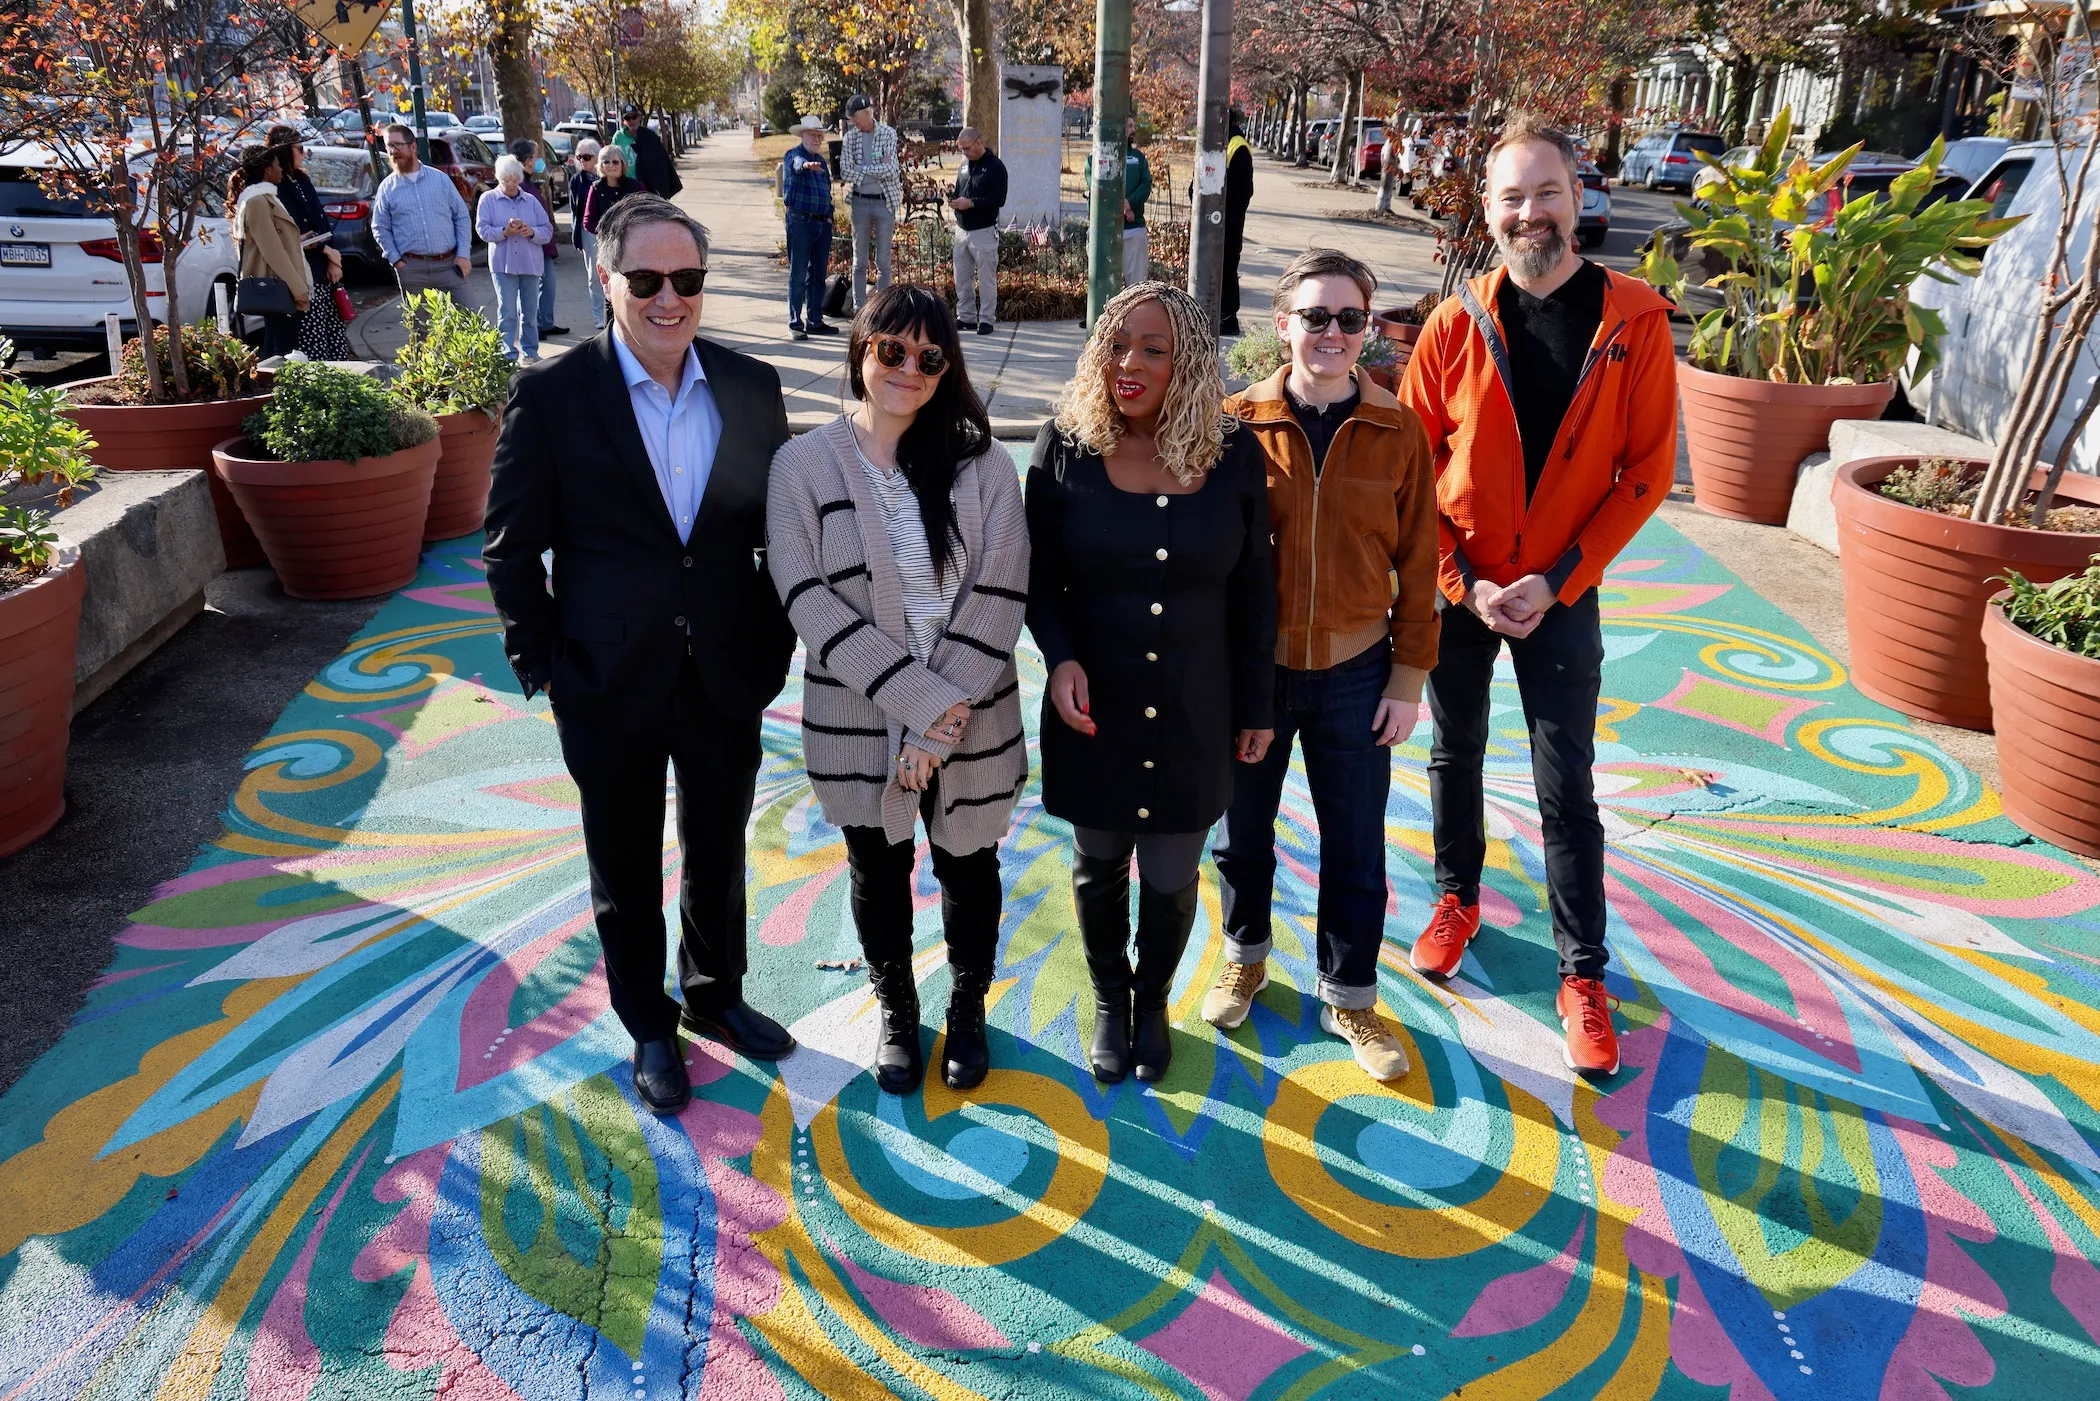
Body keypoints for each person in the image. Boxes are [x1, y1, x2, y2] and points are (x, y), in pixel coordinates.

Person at [483, 195, 802, 1115]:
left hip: (724, 674)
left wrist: (770, 648)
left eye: (689, 280)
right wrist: (545, 665)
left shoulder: (751, 386)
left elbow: (776, 538)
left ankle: (715, 994)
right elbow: (510, 548)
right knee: (623, 861)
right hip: (605, 678)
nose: (672, 299)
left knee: (718, 846)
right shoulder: (551, 396)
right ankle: (649, 1023)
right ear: (606, 280)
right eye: (649, 280)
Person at [1398, 116, 1678, 1077]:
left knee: (1568, 785)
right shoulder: (1454, 322)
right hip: (1463, 589)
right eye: (1511, 198)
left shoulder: (1635, 321)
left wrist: (1557, 581)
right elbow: (1411, 468)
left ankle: (1582, 970)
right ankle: (1456, 895)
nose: (1531, 214)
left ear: (1578, 194)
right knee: (1454, 751)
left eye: (1546, 193)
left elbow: (1645, 472)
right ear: (1488, 211)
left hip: (1564, 588)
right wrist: (1461, 582)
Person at [767, 287, 1030, 1095]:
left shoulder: (982, 464)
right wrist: (920, 706)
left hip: (972, 710)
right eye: (891, 349)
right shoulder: (803, 465)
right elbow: (804, 596)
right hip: (857, 711)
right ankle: (895, 1002)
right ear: (859, 350)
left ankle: (968, 1004)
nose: (907, 369)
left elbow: (1002, 590)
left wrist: (933, 729)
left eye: (928, 357)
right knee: (876, 868)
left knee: (970, 866)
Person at [1026, 282, 1276, 1086]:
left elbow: (1255, 593)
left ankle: (1153, 1001)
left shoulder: (1234, 452)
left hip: (1198, 712)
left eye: (1154, 349)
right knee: (1099, 864)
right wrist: (1060, 655)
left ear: (1191, 363)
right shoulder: (1064, 445)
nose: (1129, 363)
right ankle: (1110, 1001)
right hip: (1093, 706)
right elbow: (1038, 579)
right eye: (1117, 342)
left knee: (1171, 876)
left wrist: (1258, 706)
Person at [1205, 249, 1440, 1083]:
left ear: (1367, 327)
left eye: (1349, 318)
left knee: (1354, 844)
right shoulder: (1236, 423)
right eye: (1316, 317)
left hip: (1356, 672)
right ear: (1283, 325)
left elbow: (1420, 561)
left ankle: (1350, 992)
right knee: (1242, 837)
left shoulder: (1397, 428)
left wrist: (1408, 679)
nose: (1333, 333)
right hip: (1257, 675)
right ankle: (1245, 954)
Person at [262, 126, 353, 360]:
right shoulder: (274, 189)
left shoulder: (301, 179)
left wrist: (332, 258)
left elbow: (320, 221)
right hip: (300, 276)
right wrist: (326, 251)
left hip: (322, 272)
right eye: (299, 149)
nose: (304, 154)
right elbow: (293, 233)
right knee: (311, 346)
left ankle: (338, 389)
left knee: (334, 339)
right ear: (284, 152)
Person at [371, 123, 473, 310]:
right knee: (422, 333)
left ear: (413, 146)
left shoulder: (440, 179)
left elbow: (461, 216)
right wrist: (397, 261)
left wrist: (463, 255)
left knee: (470, 321)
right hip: (412, 269)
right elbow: (379, 227)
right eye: (388, 146)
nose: (393, 152)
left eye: (397, 145)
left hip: (449, 266)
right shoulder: (387, 188)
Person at [228, 147, 312, 358]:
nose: (282, 170)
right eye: (277, 165)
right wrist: (298, 288)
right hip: (276, 286)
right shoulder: (257, 202)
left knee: (279, 346)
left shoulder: (264, 198)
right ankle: (279, 389)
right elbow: (272, 250)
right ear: (266, 170)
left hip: (279, 285)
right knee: (281, 351)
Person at [477, 155, 553, 363]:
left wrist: (531, 232)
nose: (511, 184)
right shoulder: (488, 199)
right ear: (498, 179)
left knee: (529, 312)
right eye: (505, 180)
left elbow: (547, 231)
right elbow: (482, 230)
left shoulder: (531, 201)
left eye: (514, 179)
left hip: (530, 263)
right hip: (503, 264)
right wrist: (505, 232)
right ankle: (507, 354)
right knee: (507, 311)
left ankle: (530, 352)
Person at [778, 115, 839, 341]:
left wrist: (830, 216)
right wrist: (805, 165)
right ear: (802, 135)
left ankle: (815, 320)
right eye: (813, 135)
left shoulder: (821, 162)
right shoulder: (793, 156)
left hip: (821, 224)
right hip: (800, 222)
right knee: (798, 274)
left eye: (819, 136)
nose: (817, 139)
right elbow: (796, 166)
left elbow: (827, 191)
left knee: (818, 275)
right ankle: (795, 323)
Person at [839, 94, 901, 311]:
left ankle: (882, 309)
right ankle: (860, 308)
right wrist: (875, 172)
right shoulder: (850, 138)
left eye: (855, 118)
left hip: (885, 203)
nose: (852, 122)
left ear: (867, 113)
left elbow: (892, 169)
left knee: (883, 261)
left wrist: (861, 170)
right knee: (859, 261)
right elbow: (845, 171)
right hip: (859, 203)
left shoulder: (887, 133)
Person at [948, 125, 1007, 335]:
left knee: (986, 278)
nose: (964, 153)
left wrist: (971, 203)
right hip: (961, 229)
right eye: (961, 149)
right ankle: (966, 317)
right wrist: (954, 201)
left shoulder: (995, 167)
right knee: (961, 277)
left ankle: (987, 320)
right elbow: (958, 190)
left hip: (983, 230)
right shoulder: (964, 166)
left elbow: (998, 200)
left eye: (966, 148)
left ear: (978, 143)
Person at [509, 139, 569, 340]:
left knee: (548, 285)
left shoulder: (528, 183)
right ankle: (535, 327)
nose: (539, 161)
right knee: (531, 290)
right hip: (531, 244)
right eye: (536, 157)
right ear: (527, 161)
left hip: (541, 241)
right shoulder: (519, 185)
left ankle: (545, 322)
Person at [1082, 117, 1152, 287]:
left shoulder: (1138, 158)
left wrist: (1129, 203)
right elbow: (1098, 186)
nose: (1134, 130)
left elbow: (1146, 184)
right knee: (1103, 285)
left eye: (1134, 125)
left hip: (1133, 230)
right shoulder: (1095, 158)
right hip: (1103, 231)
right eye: (1129, 126)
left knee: (1137, 287)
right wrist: (1123, 207)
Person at [1219, 112, 1254, 335]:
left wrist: (1225, 217)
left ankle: (1228, 318)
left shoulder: (1236, 146)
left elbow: (1243, 193)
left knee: (1227, 269)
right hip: (1216, 221)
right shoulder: (1219, 143)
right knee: (1219, 268)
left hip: (1228, 223)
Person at [569, 138, 604, 328]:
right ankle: (599, 315)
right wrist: (577, 239)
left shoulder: (606, 176)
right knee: (594, 276)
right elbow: (575, 212)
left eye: (587, 157)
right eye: (579, 157)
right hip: (587, 231)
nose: (583, 160)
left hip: (608, 230)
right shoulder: (576, 180)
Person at [581, 144, 639, 251]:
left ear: (623, 164)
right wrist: (610, 231)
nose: (611, 165)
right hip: (607, 245)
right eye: (606, 162)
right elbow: (588, 222)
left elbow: (645, 214)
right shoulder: (596, 188)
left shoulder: (636, 187)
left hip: (634, 243)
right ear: (601, 166)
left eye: (615, 162)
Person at [622, 106, 680, 197]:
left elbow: (660, 164)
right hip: (626, 187)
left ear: (639, 117)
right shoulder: (618, 137)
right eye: (627, 118)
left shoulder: (649, 136)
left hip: (647, 189)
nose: (631, 121)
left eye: (634, 117)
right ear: (623, 121)